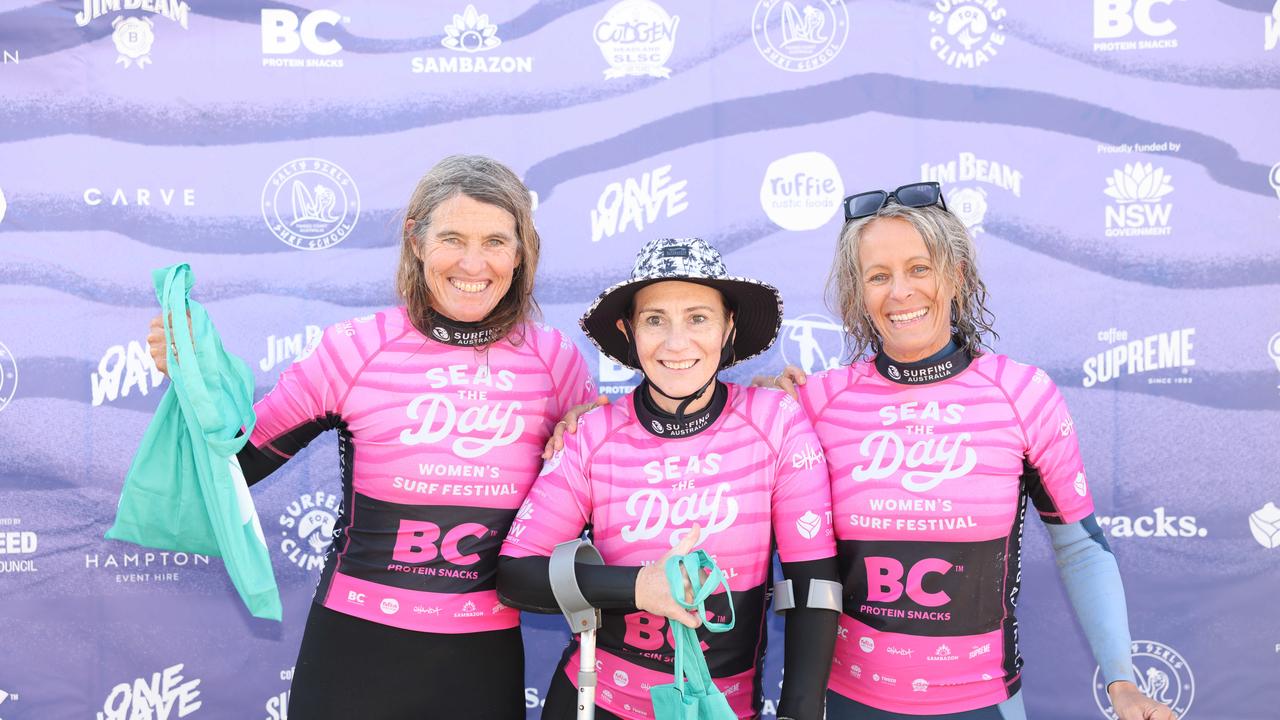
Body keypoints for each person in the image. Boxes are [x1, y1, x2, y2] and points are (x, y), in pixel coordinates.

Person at [147, 155, 596, 719]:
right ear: (416, 240)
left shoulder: (555, 362)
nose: (474, 262)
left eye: (496, 242)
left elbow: (600, 494)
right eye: (452, 237)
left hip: (481, 661)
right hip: (354, 651)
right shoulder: (354, 349)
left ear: (522, 251)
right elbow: (238, 462)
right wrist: (193, 379)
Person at [754, 182, 1177, 720]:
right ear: (859, 294)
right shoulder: (820, 402)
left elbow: (1081, 548)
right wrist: (762, 406)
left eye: (919, 268)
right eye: (878, 276)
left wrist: (1122, 681)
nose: (900, 291)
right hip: (847, 703)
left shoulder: (1021, 394)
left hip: (984, 706)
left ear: (955, 276)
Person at [497, 237, 841, 720]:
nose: (676, 343)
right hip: (595, 702)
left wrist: (798, 713)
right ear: (628, 330)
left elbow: (813, 588)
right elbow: (516, 576)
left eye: (698, 317)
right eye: (655, 320)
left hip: (722, 708)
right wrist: (639, 587)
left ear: (729, 326)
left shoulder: (776, 423)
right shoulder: (590, 434)